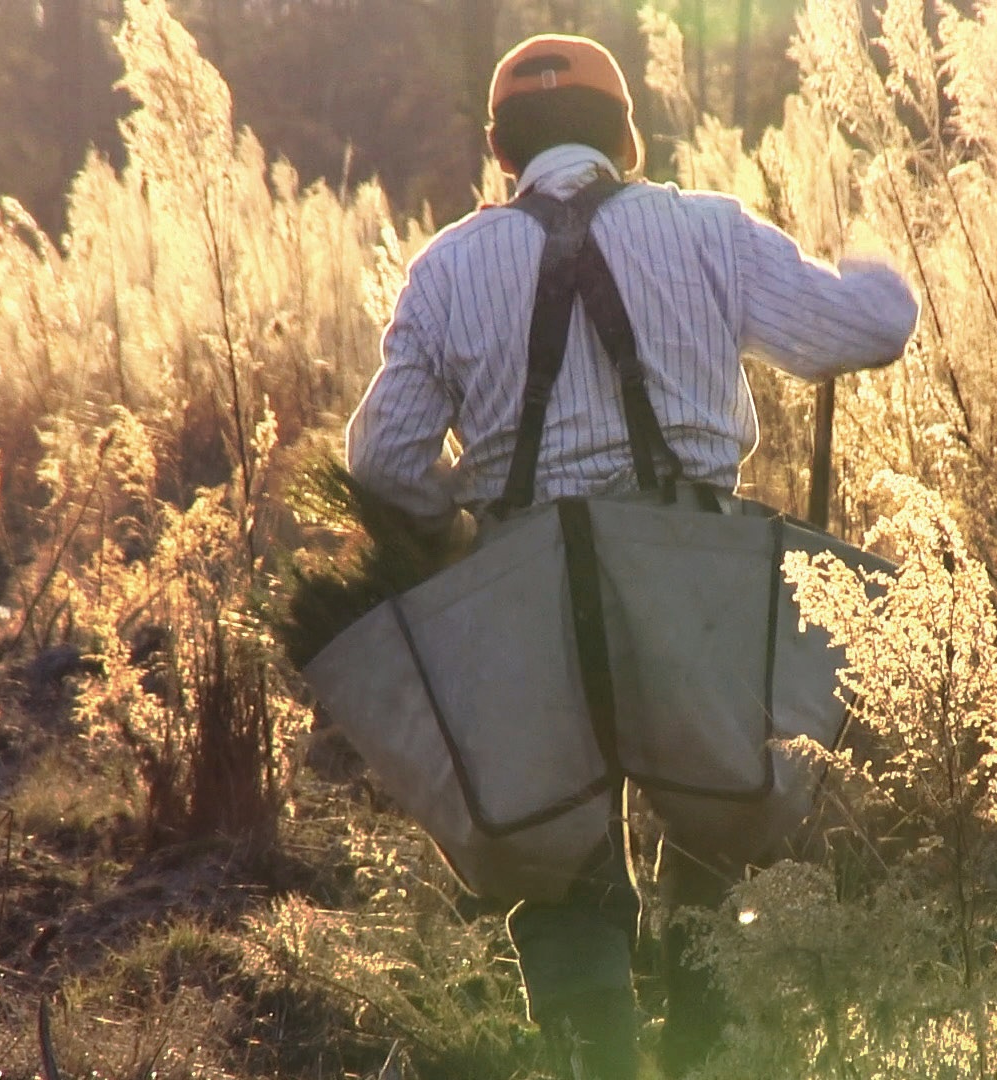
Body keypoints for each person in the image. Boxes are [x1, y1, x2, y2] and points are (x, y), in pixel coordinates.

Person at [343, 33, 918, 1080]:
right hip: (695, 569)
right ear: (627, 139)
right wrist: (870, 253)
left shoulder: (446, 268)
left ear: (497, 153)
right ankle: (704, 1044)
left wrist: (464, 524)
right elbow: (868, 331)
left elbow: (380, 463)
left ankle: (597, 1058)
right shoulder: (710, 231)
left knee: (556, 855)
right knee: (719, 823)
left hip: (524, 583)